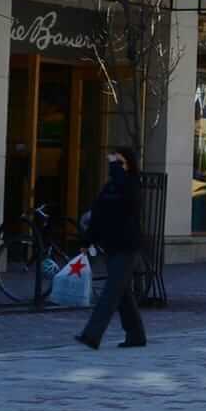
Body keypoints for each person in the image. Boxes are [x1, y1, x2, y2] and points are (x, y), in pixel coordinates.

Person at [76, 147, 147, 351]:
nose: (115, 167)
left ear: (129, 165)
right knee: (123, 294)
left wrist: (118, 171)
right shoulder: (108, 188)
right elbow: (98, 217)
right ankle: (136, 335)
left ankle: (91, 335)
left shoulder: (132, 184)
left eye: (120, 163)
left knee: (110, 294)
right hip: (111, 247)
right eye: (113, 163)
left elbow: (129, 204)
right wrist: (86, 241)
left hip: (127, 248)